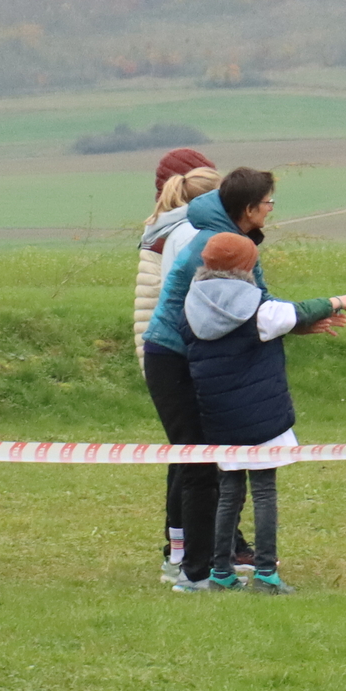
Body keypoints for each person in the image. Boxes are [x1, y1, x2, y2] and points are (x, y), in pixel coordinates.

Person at [179, 229, 346, 593]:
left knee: (229, 493)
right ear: (246, 268)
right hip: (261, 420)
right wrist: (337, 301)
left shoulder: (192, 306)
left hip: (218, 418)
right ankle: (265, 573)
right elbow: (295, 312)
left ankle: (221, 572)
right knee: (264, 492)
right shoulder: (258, 309)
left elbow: (277, 324)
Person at [146, 165, 283, 590]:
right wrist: (311, 312)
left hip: (190, 357)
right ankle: (194, 572)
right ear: (249, 209)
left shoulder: (229, 235)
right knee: (198, 465)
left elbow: (258, 303)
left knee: (201, 463)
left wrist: (298, 319)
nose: (271, 209)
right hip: (172, 357)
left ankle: (204, 564)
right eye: (267, 203)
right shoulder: (221, 244)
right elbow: (253, 306)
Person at [136, 148, 215, 571]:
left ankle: (187, 544)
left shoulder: (164, 228)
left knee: (187, 450)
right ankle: (188, 550)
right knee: (194, 454)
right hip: (175, 352)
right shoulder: (183, 234)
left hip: (163, 349)